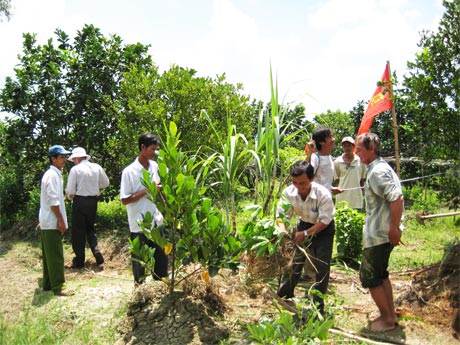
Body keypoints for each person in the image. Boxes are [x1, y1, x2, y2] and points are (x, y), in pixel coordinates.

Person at [356, 133, 404, 332]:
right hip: (382, 233)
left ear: (371, 149)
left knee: (369, 276)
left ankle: (386, 319)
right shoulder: (380, 167)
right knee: (381, 274)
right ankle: (390, 315)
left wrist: (393, 229)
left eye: (359, 149)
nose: (356, 153)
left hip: (380, 235)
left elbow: (396, 198)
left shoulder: (377, 172)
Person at [276, 160, 335, 314]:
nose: (299, 187)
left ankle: (317, 305)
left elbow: (324, 221)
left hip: (323, 230)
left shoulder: (323, 194)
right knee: (294, 262)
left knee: (321, 267)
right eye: (295, 182)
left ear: (312, 179)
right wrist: (283, 233)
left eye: (303, 183)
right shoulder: (288, 192)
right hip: (303, 225)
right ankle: (284, 294)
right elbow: (281, 216)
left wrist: (306, 234)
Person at [120, 133, 168, 285]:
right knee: (139, 259)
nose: (155, 153)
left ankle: (161, 285)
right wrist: (147, 190)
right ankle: (139, 289)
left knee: (161, 256)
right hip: (139, 222)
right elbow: (125, 200)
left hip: (156, 219)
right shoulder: (129, 172)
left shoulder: (155, 167)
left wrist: (166, 209)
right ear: (142, 147)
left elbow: (158, 191)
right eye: (153, 149)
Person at [65, 147, 110, 269]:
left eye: (74, 159)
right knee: (90, 229)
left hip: (80, 201)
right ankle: (97, 253)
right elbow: (106, 183)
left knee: (78, 232)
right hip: (92, 202)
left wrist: (68, 197)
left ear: (77, 158)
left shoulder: (76, 170)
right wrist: (94, 186)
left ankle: (79, 261)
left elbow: (70, 190)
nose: (73, 161)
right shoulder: (97, 167)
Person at [39, 145, 75, 296]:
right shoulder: (52, 175)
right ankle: (58, 287)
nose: (64, 160)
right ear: (53, 159)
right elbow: (53, 200)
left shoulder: (54, 174)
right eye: (61, 157)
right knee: (55, 255)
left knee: (49, 256)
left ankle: (48, 283)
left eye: (65, 157)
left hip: (47, 220)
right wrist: (60, 220)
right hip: (51, 220)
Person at [334, 136, 366, 209]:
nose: (347, 148)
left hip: (356, 199)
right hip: (341, 199)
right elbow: (337, 180)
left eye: (349, 146)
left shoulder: (361, 161)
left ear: (353, 146)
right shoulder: (337, 162)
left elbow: (362, 179)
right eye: (345, 146)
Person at [309, 127, 343, 195]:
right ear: (321, 142)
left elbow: (322, 182)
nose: (333, 139)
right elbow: (306, 178)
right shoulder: (315, 158)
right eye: (330, 137)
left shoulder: (330, 158)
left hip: (326, 200)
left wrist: (331, 188)